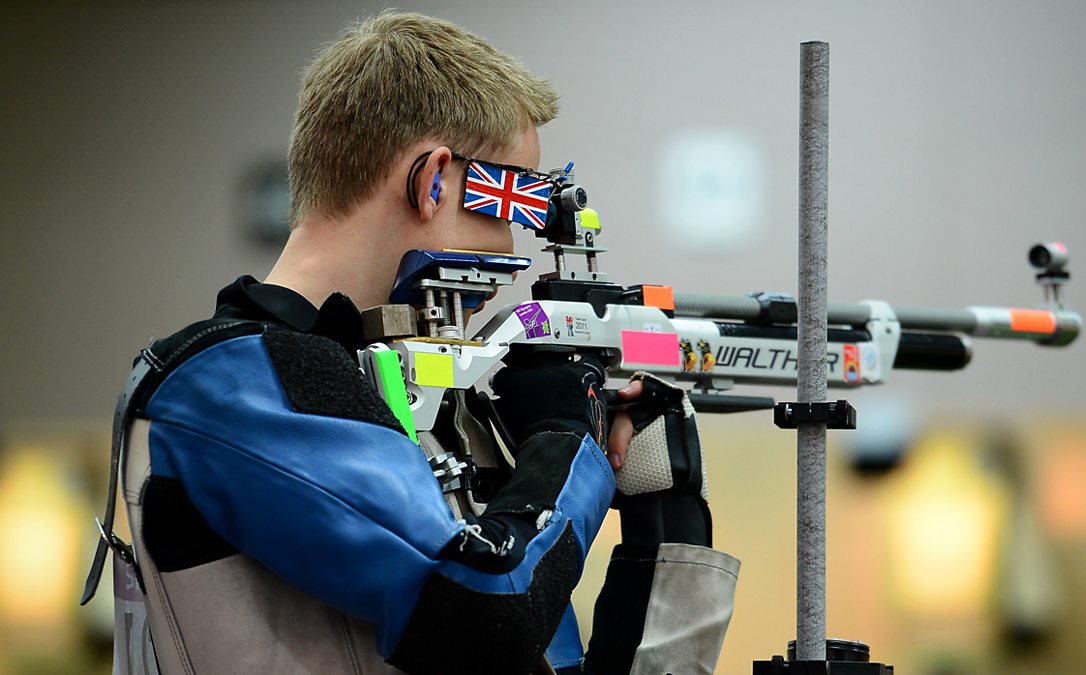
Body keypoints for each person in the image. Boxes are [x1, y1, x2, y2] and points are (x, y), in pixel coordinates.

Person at [85, 11, 738, 675]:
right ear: (432, 180)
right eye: (513, 205)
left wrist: (665, 506)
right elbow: (486, 611)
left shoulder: (396, 397)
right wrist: (565, 441)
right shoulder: (235, 385)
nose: (513, 245)